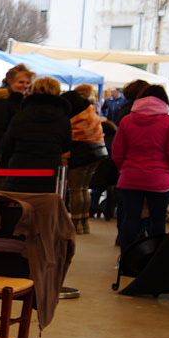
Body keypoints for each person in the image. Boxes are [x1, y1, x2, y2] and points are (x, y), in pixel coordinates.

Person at [111, 85, 169, 253]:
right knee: (158, 220)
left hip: (130, 176)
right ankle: (154, 259)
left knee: (130, 219)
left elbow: (117, 151)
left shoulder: (127, 120)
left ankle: (127, 258)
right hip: (159, 178)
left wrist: (125, 168)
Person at [0, 76, 76, 195]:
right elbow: (66, 146)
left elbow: (6, 144)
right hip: (49, 173)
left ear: (33, 90)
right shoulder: (63, 119)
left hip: (20, 171)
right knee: (43, 207)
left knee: (18, 206)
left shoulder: (21, 116)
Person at [65, 84, 108, 235]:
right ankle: (84, 223)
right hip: (97, 152)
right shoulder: (90, 111)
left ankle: (76, 224)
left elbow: (68, 136)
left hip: (80, 154)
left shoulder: (72, 112)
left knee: (76, 189)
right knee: (84, 189)